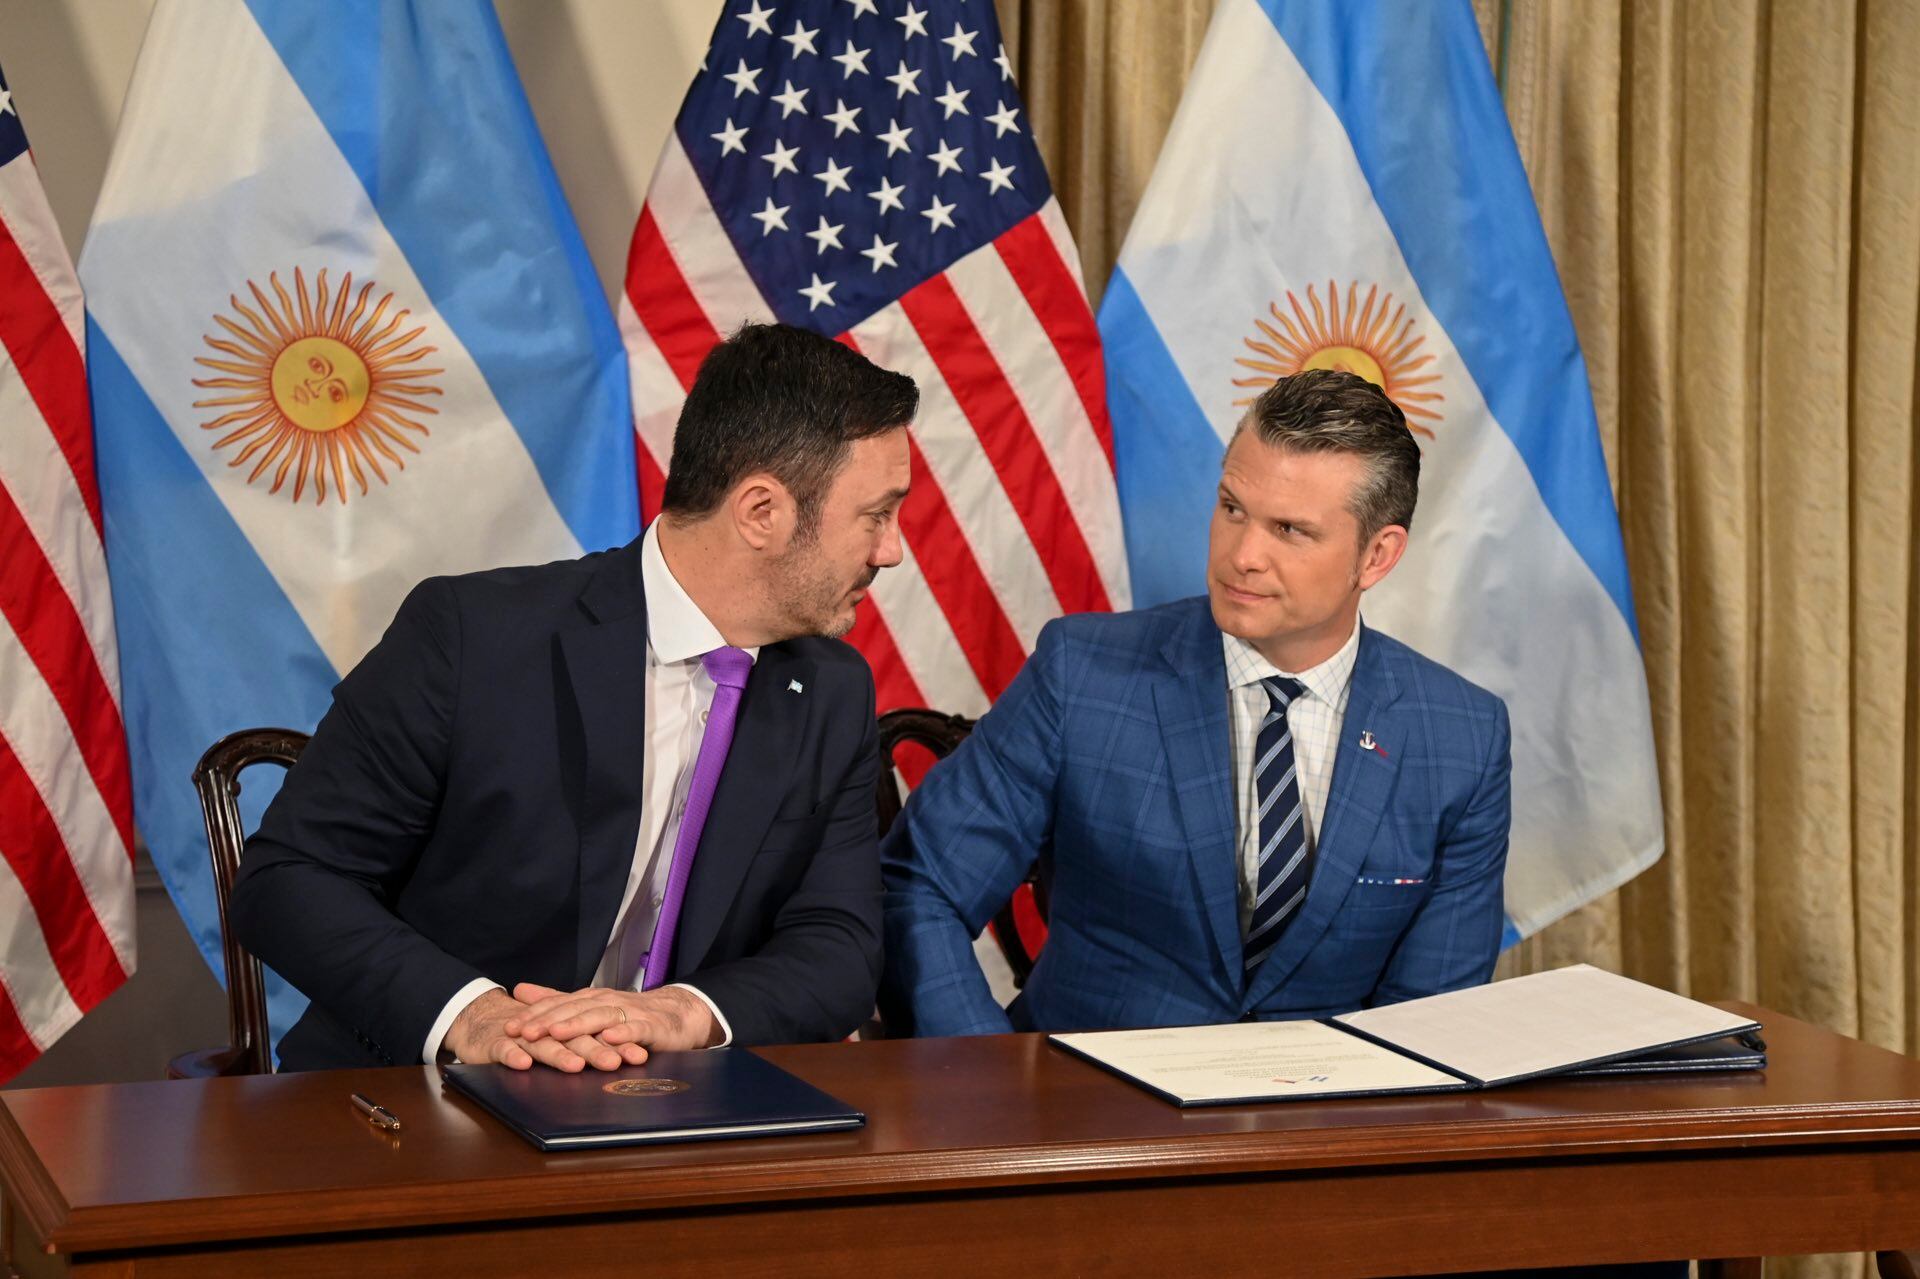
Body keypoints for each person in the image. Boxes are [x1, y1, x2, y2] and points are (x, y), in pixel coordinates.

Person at [232, 322, 916, 1072]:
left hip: (677, 1120)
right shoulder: (472, 639)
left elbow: (839, 944)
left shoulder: (830, 689)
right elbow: (290, 878)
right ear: (761, 512)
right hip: (425, 1104)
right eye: (876, 514)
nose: (891, 549)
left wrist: (683, 1012)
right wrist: (474, 1016)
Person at [881, 368, 1510, 1036]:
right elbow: (921, 885)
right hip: (1086, 1113)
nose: (1242, 555)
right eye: (1232, 508)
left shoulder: (1463, 738)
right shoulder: (1081, 674)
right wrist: (986, 1087)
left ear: (1377, 556)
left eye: (1290, 530)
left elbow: (1429, 1021)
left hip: (1324, 1126)